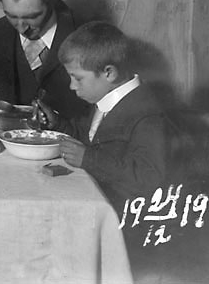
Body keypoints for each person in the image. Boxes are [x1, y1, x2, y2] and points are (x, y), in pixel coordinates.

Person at [35, 21, 170, 269]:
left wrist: (88, 159)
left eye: (77, 78)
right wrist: (59, 124)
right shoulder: (108, 101)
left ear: (109, 73)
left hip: (127, 230)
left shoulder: (146, 113)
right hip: (100, 208)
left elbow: (150, 179)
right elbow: (92, 137)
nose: (72, 86)